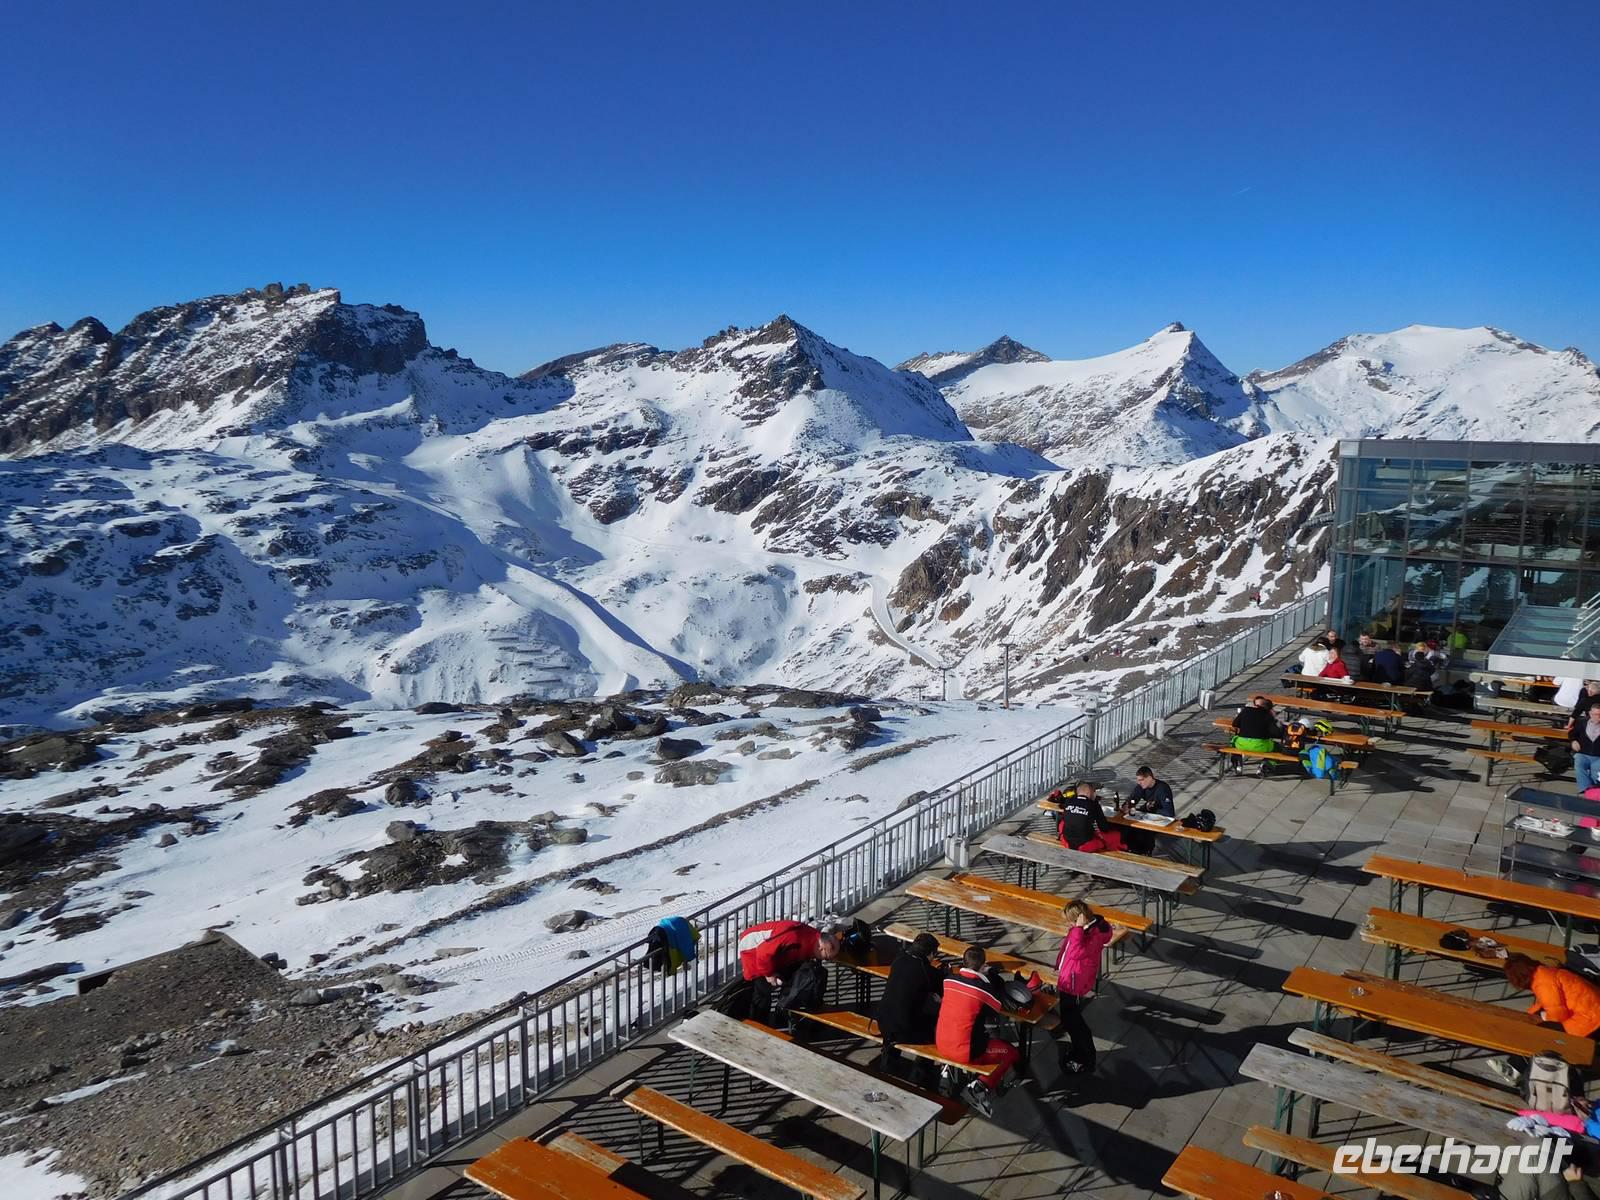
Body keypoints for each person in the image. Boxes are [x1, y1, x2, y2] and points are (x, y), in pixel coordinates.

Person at [934, 946, 1022, 1116]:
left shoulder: (948, 980)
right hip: (964, 1051)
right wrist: (989, 978)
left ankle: (948, 1070)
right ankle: (978, 1088)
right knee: (1010, 1053)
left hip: (942, 1042)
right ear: (983, 966)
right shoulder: (983, 989)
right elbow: (996, 1008)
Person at [736, 919, 840, 1025]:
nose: (827, 960)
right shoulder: (794, 937)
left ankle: (781, 1015)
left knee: (790, 980)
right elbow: (763, 953)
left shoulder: (814, 938)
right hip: (753, 948)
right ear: (821, 948)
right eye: (827, 958)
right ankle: (758, 1024)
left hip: (778, 954)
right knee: (762, 990)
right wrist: (769, 974)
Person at [1054, 900, 1114, 1075]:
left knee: (1074, 1023)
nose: (1069, 925)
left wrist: (1078, 929)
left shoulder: (1091, 934)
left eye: (1070, 922)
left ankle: (1084, 1058)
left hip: (1074, 983)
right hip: (1070, 978)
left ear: (1080, 919)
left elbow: (1075, 952)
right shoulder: (1085, 931)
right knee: (1070, 1020)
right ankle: (1079, 1052)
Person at [874, 933, 947, 1074]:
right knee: (934, 1023)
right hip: (904, 1031)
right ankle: (922, 1069)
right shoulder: (925, 971)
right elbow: (940, 986)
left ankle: (889, 1060)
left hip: (883, 1023)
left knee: (902, 1008)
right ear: (930, 954)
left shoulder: (899, 959)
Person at [1505, 954, 1600, 1038]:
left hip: (1590, 1019)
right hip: (1592, 1007)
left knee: (1540, 1032)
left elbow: (1558, 1015)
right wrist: (1533, 1012)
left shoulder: (1544, 983)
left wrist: (1544, 1018)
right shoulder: (1543, 972)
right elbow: (1549, 1001)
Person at [1052, 782, 1124, 853]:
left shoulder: (1068, 801)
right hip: (1085, 845)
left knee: (1064, 821)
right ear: (1090, 793)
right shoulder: (1093, 804)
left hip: (1066, 842)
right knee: (1115, 836)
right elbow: (1104, 828)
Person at [1119, 766, 1174, 854]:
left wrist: (1153, 808)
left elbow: (1169, 812)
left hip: (1159, 818)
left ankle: (1145, 851)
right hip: (1146, 814)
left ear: (1149, 778)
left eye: (1141, 780)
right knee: (1127, 825)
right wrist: (1126, 805)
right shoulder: (1141, 786)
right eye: (1138, 780)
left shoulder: (1162, 789)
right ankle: (1131, 849)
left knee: (1144, 830)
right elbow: (1133, 798)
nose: (1139, 782)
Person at [1229, 696, 1281, 773]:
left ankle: (1237, 761)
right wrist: (1274, 720)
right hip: (1260, 746)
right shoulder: (1267, 715)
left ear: (1255, 705)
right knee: (1278, 747)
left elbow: (1235, 724)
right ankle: (1266, 764)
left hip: (1241, 744)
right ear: (1269, 708)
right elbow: (1276, 733)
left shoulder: (1246, 711)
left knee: (1233, 741)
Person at [1573, 705, 1600, 795]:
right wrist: (1574, 741)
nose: (1598, 717)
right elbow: (1573, 733)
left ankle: (1595, 789)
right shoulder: (1582, 722)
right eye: (1595, 714)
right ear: (1590, 714)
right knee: (1579, 764)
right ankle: (1586, 789)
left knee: (1596, 769)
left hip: (1598, 756)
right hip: (1583, 753)